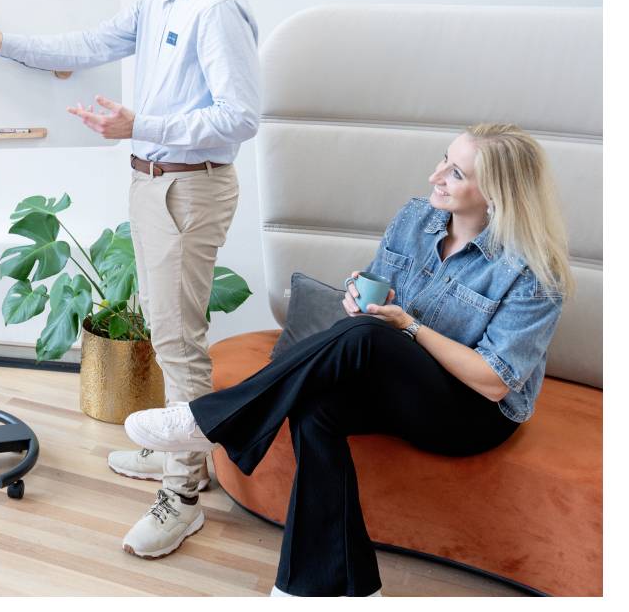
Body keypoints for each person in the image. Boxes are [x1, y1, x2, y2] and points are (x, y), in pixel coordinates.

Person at [0, 0, 259, 557]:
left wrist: (141, 123)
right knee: (168, 327)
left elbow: (239, 117)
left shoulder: (215, 5)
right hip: (153, 183)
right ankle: (179, 451)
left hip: (188, 188)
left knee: (178, 343)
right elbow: (88, 45)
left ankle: (182, 494)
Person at [124, 124, 571, 596]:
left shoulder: (532, 270)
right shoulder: (417, 218)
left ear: (496, 194)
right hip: (402, 382)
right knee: (316, 407)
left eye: (456, 173)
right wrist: (362, 297)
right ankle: (333, 589)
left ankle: (210, 421)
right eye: (444, 159)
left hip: (471, 413)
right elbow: (383, 297)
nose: (435, 175)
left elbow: (494, 381)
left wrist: (406, 325)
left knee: (369, 336)